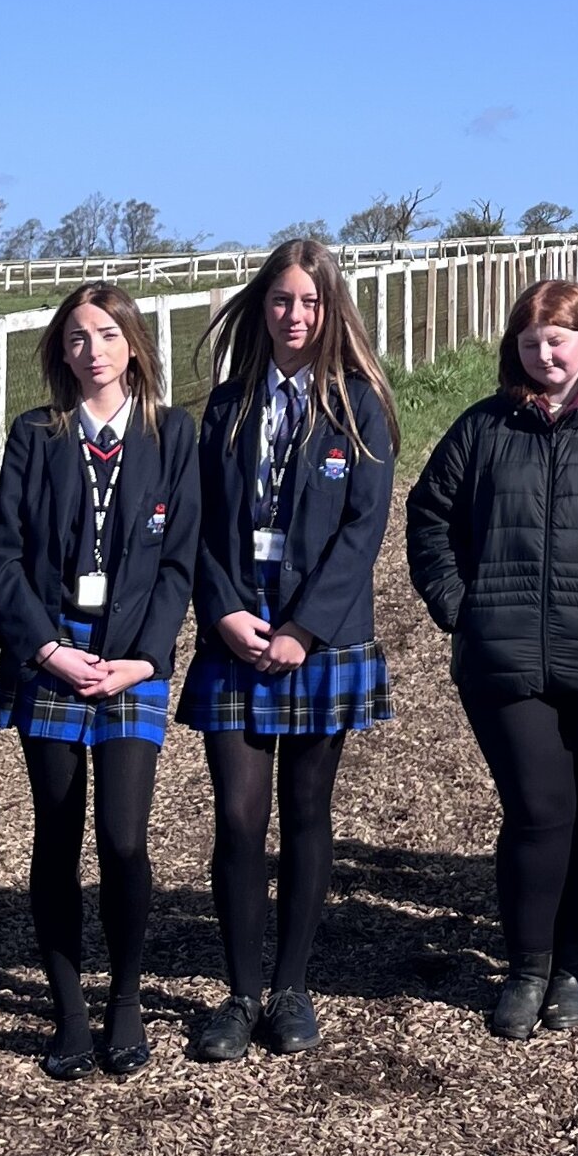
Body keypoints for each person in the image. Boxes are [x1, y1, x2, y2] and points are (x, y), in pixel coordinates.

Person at [407, 279, 578, 1039]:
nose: (544, 353)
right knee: (535, 810)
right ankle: (526, 967)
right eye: (530, 342)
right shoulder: (484, 427)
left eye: (557, 338)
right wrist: (461, 607)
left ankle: (573, 969)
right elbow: (430, 515)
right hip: (503, 655)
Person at [177, 238, 400, 1059]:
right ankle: (238, 991)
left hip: (322, 640)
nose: (294, 315)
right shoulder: (229, 404)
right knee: (239, 818)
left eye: (309, 302)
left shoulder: (360, 405)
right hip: (235, 636)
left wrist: (305, 627)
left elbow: (362, 528)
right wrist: (227, 611)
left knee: (307, 812)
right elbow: (196, 520)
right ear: (261, 306)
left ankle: (292, 985)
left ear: (331, 308)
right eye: (281, 300)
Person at [0, 282, 199, 1080]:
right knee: (56, 830)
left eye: (107, 334)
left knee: (123, 835)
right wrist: (44, 648)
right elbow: (3, 555)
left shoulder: (173, 434)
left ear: (135, 344)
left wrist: (147, 656)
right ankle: (69, 1006)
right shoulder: (37, 434)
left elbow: (180, 559)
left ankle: (127, 997)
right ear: (61, 351)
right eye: (77, 337)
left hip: (130, 663)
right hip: (52, 657)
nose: (93, 349)